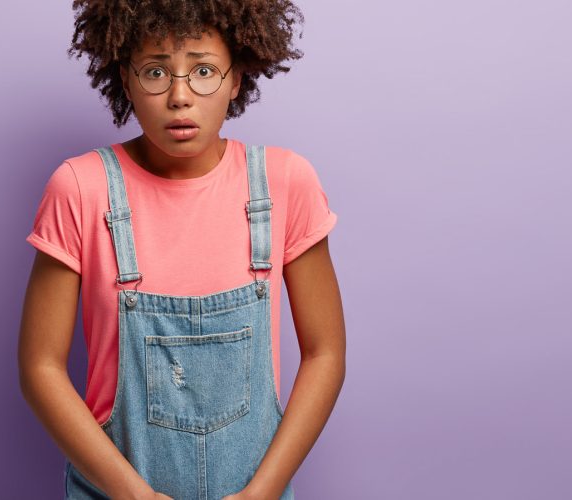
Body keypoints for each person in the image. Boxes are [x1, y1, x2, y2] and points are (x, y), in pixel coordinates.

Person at [18, 1, 346, 498]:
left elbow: (325, 353)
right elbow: (40, 367)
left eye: (204, 70)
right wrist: (134, 495)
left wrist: (266, 490)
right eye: (155, 71)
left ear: (237, 78)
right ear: (124, 79)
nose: (180, 96)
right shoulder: (81, 189)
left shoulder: (284, 183)